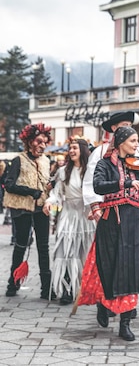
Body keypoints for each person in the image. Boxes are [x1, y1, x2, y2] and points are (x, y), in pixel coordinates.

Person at [87, 126, 139, 341]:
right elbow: (98, 186)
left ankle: (125, 322)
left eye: (137, 141)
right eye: (133, 141)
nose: (137, 146)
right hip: (111, 221)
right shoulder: (104, 164)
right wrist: (124, 183)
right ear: (121, 142)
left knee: (132, 267)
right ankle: (103, 304)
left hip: (134, 222)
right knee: (108, 265)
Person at [4, 123, 54, 299]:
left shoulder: (46, 161)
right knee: (21, 245)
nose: (42, 145)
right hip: (22, 209)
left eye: (45, 142)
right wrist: (30, 191)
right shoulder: (19, 160)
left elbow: (47, 184)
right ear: (29, 141)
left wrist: (51, 187)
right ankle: (13, 283)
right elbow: (8, 185)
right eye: (39, 141)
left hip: (41, 208)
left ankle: (46, 288)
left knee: (44, 247)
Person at [44, 137, 95, 305]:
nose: (71, 151)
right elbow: (57, 193)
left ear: (82, 150)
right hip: (68, 215)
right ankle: (67, 289)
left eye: (75, 148)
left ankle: (85, 288)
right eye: (70, 148)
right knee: (66, 251)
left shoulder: (91, 171)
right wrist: (49, 202)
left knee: (85, 252)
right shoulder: (63, 170)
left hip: (86, 215)